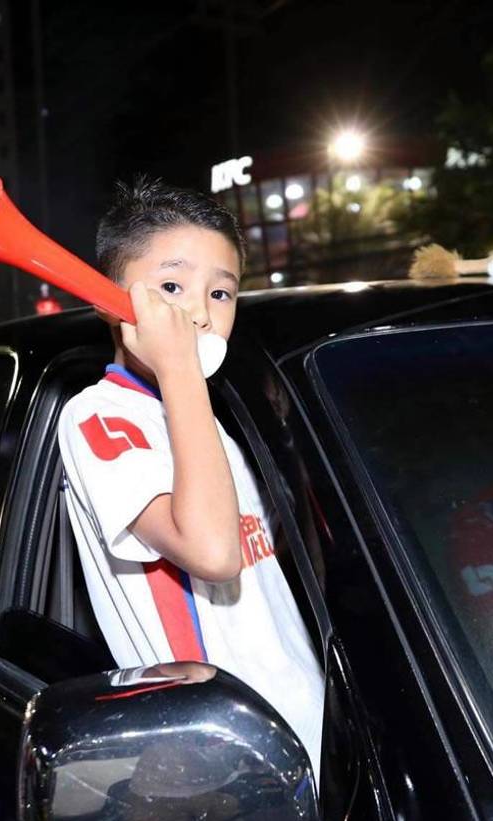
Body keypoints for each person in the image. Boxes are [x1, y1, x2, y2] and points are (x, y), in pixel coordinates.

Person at [56, 177, 324, 780]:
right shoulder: (101, 415)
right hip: (217, 757)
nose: (200, 314)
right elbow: (211, 552)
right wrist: (180, 369)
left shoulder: (201, 419)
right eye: (171, 286)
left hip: (300, 728)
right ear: (108, 300)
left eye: (222, 294)